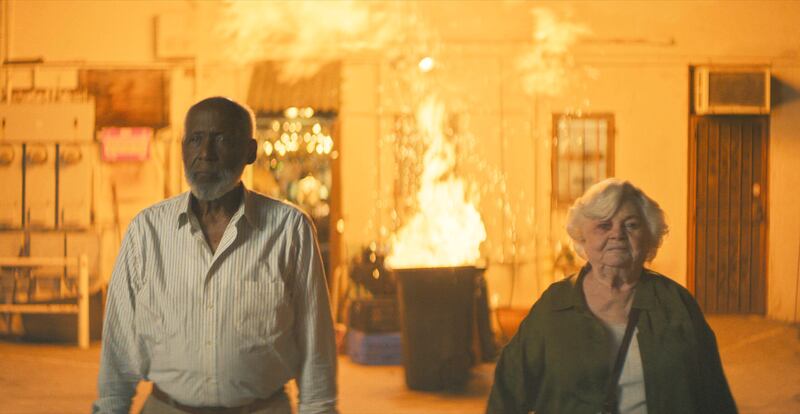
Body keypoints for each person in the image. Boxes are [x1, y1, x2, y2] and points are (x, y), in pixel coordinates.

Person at [93, 97, 338, 414]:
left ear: (250, 151)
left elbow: (316, 350)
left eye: (222, 139)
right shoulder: (146, 231)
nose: (205, 153)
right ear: (183, 149)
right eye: (195, 139)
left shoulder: (290, 230)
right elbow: (117, 352)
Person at [487, 178, 736, 414]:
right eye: (604, 226)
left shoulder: (676, 303)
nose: (617, 234)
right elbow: (507, 393)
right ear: (583, 238)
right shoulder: (555, 305)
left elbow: (715, 396)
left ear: (649, 236)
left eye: (631, 225)